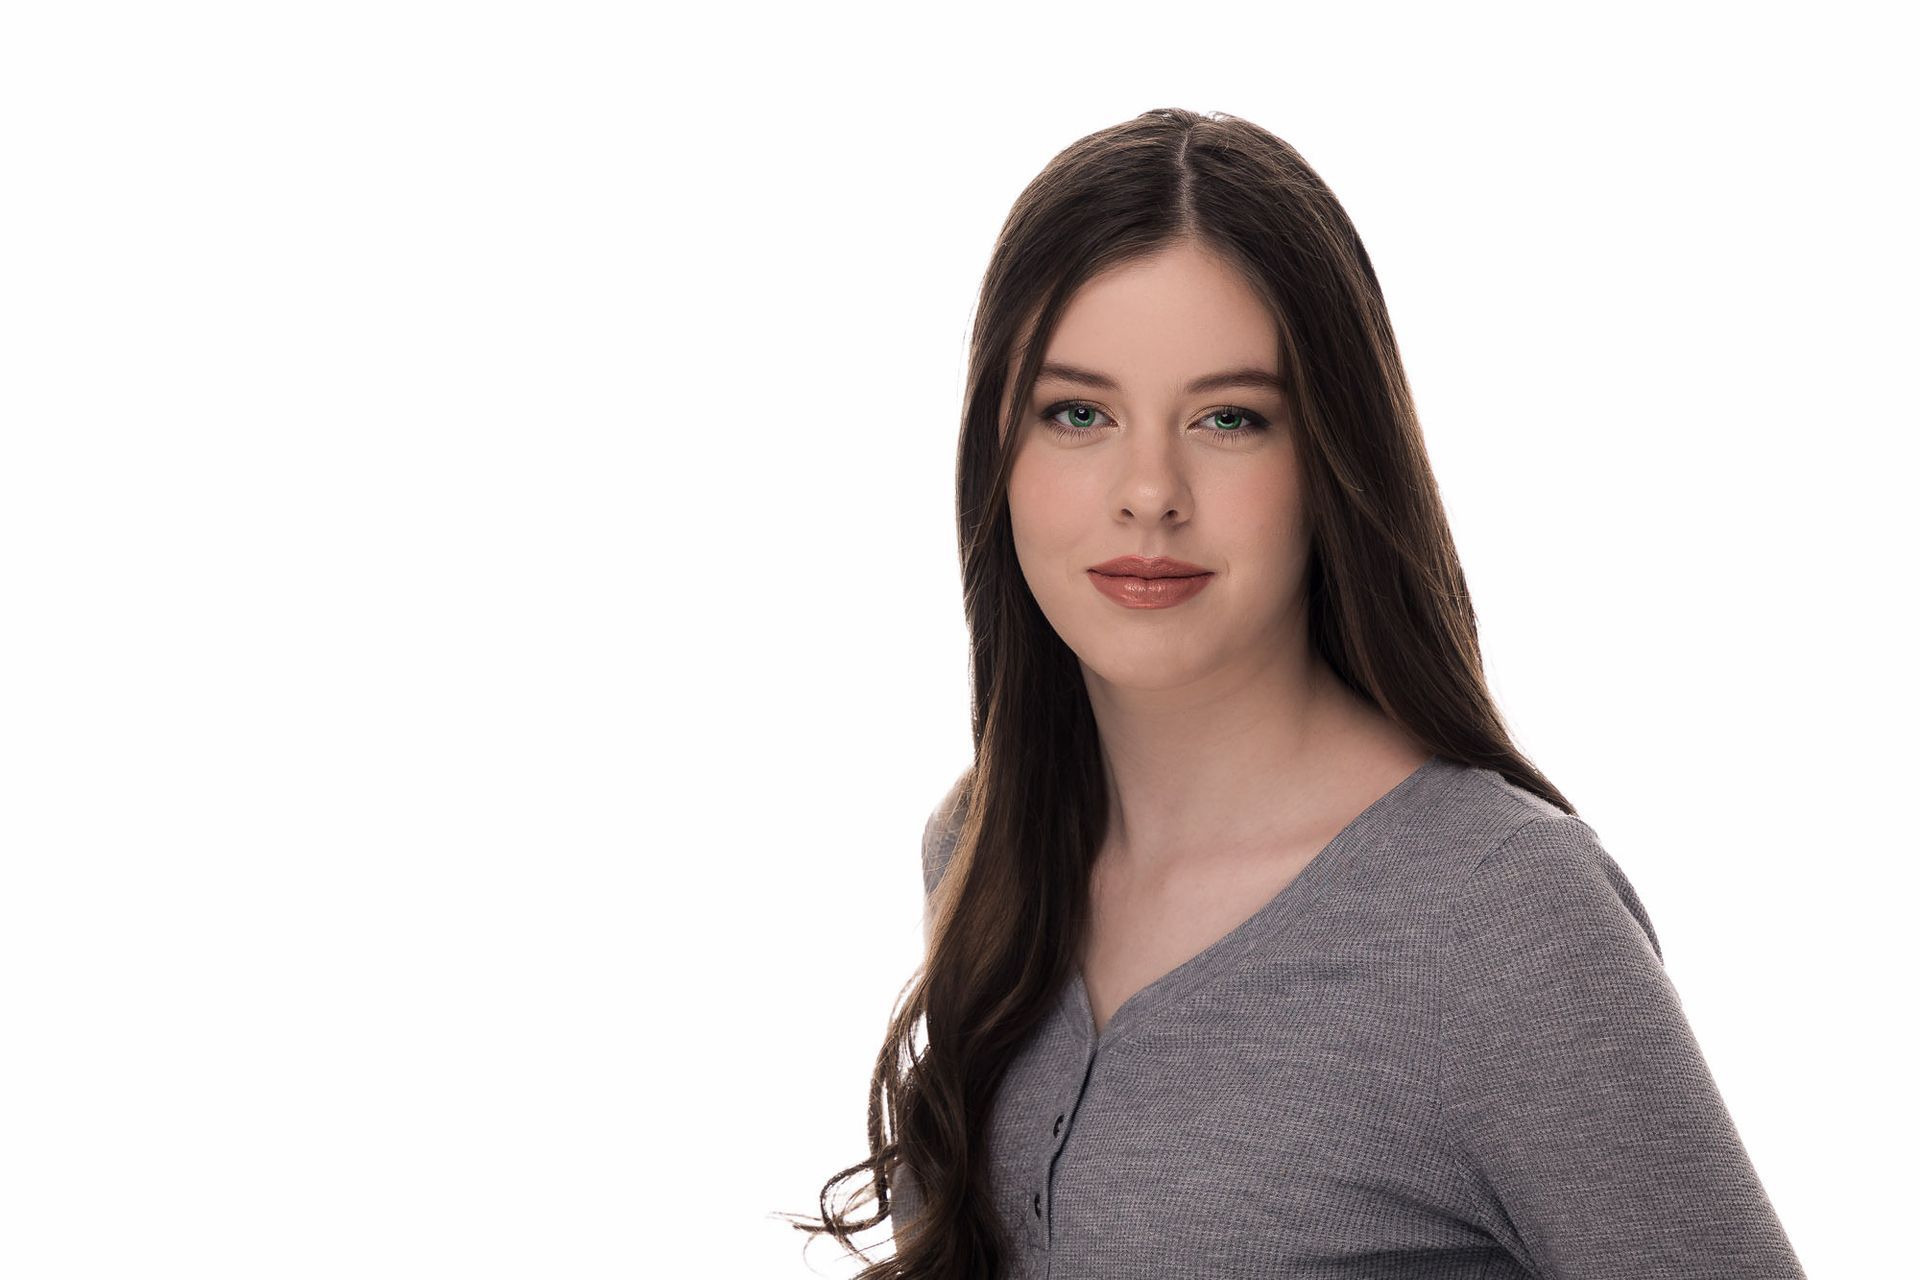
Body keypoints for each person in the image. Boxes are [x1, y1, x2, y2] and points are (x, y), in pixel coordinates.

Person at [788, 108, 1806, 1279]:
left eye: (1230, 418)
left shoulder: (1499, 914)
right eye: (1079, 413)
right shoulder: (983, 847)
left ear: (1330, 455)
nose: (1149, 491)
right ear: (997, 453)